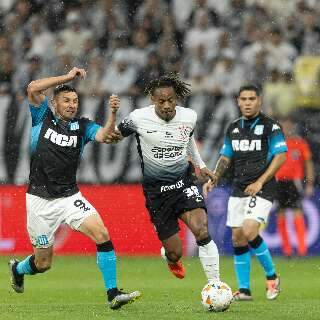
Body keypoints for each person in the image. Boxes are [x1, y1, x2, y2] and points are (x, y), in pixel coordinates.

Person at [8, 67, 141, 310]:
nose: (72, 105)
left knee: (101, 234)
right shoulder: (42, 117)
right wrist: (68, 78)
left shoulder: (83, 127)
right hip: (39, 200)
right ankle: (18, 268)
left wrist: (112, 114)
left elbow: (104, 136)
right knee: (43, 263)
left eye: (75, 101)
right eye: (66, 100)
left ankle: (112, 293)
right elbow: (32, 87)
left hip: (70, 196)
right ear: (54, 103)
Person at [110, 74, 221, 286]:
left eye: (171, 100)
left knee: (202, 230)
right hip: (157, 194)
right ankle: (170, 257)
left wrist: (201, 165)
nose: (167, 105)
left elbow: (188, 141)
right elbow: (111, 137)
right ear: (152, 99)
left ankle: (215, 286)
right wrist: (113, 115)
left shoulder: (189, 116)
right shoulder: (137, 118)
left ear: (177, 98)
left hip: (184, 184)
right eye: (162, 101)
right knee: (174, 252)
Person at [203, 84, 287, 301]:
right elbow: (225, 156)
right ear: (238, 101)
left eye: (251, 99)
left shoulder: (271, 126)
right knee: (238, 238)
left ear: (259, 100)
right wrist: (215, 177)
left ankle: (272, 277)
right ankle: (245, 290)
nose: (247, 103)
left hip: (262, 187)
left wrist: (260, 182)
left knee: (250, 230)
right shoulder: (233, 127)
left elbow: (280, 157)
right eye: (243, 99)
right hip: (239, 188)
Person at [275, 116, 314, 257]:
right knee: (281, 214)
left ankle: (302, 250)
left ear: (292, 126)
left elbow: (308, 163)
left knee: (297, 212)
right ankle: (287, 251)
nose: (286, 128)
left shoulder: (300, 143)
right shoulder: (277, 143)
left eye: (288, 125)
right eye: (283, 125)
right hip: (279, 182)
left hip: (294, 183)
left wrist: (309, 182)